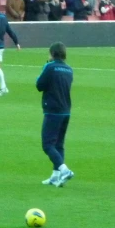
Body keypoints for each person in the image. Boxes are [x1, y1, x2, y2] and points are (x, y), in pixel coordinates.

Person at [37, 42, 75, 187]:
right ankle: (55, 176)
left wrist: (45, 68)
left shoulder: (50, 67)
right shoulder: (69, 69)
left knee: (47, 145)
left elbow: (39, 85)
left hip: (52, 109)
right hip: (66, 110)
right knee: (59, 144)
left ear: (52, 53)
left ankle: (64, 170)